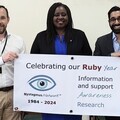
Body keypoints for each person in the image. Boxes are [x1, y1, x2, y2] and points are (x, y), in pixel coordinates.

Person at [30, 2, 92, 120]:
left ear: (68, 17)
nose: (60, 18)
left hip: (73, 92)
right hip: (49, 94)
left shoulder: (80, 35)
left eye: (64, 14)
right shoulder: (41, 37)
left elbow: (88, 60)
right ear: (50, 17)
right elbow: (33, 65)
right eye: (56, 15)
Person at [94, 6, 120, 120]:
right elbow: (95, 65)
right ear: (109, 21)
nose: (116, 22)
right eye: (113, 19)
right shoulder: (101, 41)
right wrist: (111, 56)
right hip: (110, 97)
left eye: (119, 18)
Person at [0, 5, 26, 120]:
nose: (0, 21)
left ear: (8, 20)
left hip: (12, 95)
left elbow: (25, 71)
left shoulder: (18, 41)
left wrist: (23, 98)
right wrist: (2, 59)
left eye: (2, 18)